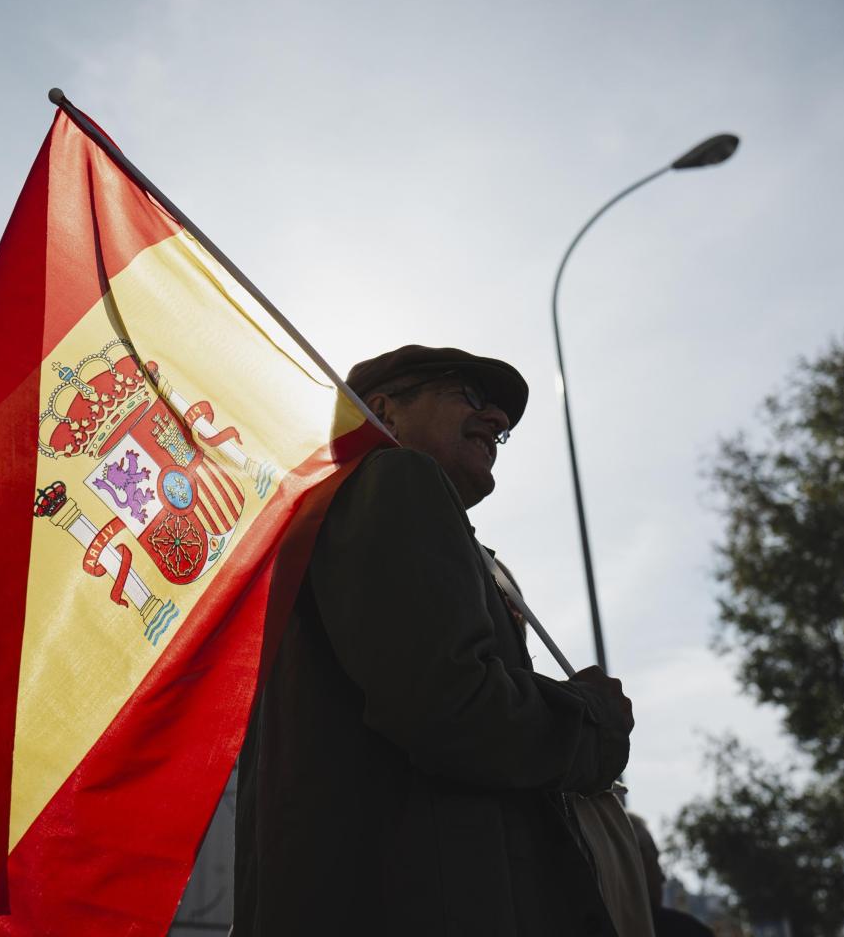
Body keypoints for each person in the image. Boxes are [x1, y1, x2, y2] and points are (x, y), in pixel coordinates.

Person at [233, 344, 637, 936]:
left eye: (500, 417)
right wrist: (592, 723)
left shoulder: (333, 525)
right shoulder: (396, 478)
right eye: (467, 394)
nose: (498, 421)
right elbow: (451, 705)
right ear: (384, 412)